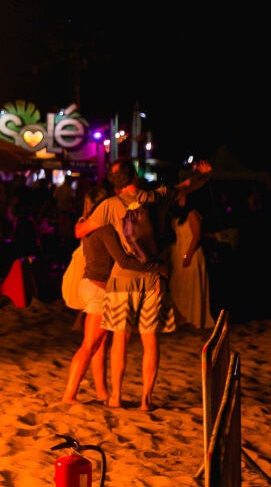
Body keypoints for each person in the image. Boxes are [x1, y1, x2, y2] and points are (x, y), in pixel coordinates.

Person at [76, 157, 211, 410]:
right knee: (151, 340)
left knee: (120, 340)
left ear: (116, 183)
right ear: (135, 176)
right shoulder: (157, 197)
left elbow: (81, 232)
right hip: (152, 278)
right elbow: (186, 186)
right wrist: (205, 175)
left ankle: (115, 396)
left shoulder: (110, 205)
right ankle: (146, 399)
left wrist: (83, 221)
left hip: (121, 280)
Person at [60, 183, 113, 404]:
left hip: (89, 285)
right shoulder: (102, 227)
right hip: (97, 288)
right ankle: (69, 394)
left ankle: (101, 391)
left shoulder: (84, 224)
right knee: (90, 344)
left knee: (99, 343)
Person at [167, 191, 214, 329]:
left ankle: (191, 317)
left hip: (191, 252)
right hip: (180, 251)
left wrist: (188, 255)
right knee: (177, 286)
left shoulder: (192, 214)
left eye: (181, 197)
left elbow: (196, 236)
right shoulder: (178, 215)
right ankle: (182, 316)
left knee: (189, 285)